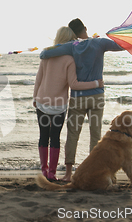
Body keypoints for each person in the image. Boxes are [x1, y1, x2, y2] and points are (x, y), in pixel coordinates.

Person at [40, 18, 125, 182]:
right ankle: (96, 170)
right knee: (96, 135)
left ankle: (68, 174)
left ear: (72, 34)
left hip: (78, 98)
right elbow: (121, 46)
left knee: (73, 135)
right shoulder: (100, 43)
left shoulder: (72, 46)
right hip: (97, 97)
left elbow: (44, 53)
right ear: (85, 28)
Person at [33, 26, 104, 181]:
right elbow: (74, 84)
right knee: (55, 137)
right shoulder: (69, 59)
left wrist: (34, 97)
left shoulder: (46, 55)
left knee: (43, 136)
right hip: (59, 106)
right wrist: (96, 84)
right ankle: (52, 173)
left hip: (41, 103)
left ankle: (44, 171)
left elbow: (38, 79)